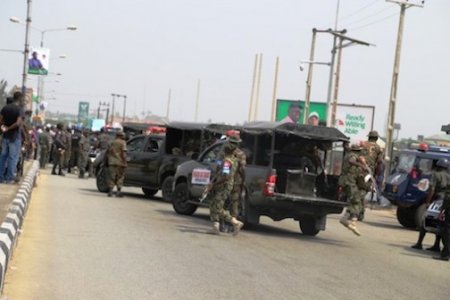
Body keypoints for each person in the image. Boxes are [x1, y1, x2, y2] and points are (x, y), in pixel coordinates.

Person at [207, 141, 244, 235]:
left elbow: (226, 177)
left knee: (217, 207)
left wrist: (214, 185)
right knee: (213, 204)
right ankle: (215, 226)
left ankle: (235, 222)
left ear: (226, 150)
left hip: (223, 186)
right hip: (226, 185)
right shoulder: (234, 159)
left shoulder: (227, 161)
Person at [338, 143, 368, 236]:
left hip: (348, 181)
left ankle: (350, 221)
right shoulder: (352, 156)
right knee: (356, 200)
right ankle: (348, 221)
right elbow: (352, 161)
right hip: (348, 182)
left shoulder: (349, 154)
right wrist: (361, 165)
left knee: (355, 201)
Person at [0, 95, 23, 183]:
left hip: (5, 136)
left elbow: (0, 121)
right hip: (14, 137)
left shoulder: (5, 108)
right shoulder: (19, 109)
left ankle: (1, 177)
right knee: (12, 158)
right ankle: (9, 178)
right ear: (19, 99)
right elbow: (18, 123)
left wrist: (4, 128)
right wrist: (9, 128)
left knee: (3, 157)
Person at [431, 158, 450, 261]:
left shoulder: (436, 175)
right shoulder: (448, 176)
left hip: (442, 202)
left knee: (445, 229)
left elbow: (447, 197)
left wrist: (442, 209)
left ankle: (446, 253)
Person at [228, 134, 246, 220]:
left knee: (224, 201)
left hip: (225, 180)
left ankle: (221, 223)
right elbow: (242, 169)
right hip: (236, 181)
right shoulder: (241, 154)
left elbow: (219, 166)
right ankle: (234, 222)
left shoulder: (225, 152)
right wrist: (243, 180)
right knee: (234, 202)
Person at [106, 131, 127, 197]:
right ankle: (118, 192)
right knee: (120, 177)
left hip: (111, 162)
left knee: (111, 177)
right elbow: (123, 153)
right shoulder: (123, 143)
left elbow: (107, 152)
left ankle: (110, 191)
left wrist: (106, 161)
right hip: (120, 162)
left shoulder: (111, 142)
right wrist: (125, 161)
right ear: (120, 136)